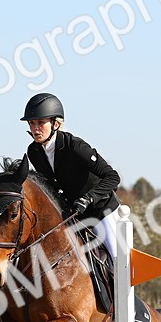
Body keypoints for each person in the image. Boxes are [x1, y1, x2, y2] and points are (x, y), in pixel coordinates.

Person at [21, 93, 121, 258]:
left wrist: (89, 198)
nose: (35, 128)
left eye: (40, 123)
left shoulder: (75, 147)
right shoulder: (34, 151)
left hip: (101, 212)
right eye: (31, 123)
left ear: (55, 123)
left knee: (117, 259)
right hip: (74, 216)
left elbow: (112, 177)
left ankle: (123, 282)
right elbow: (50, 186)